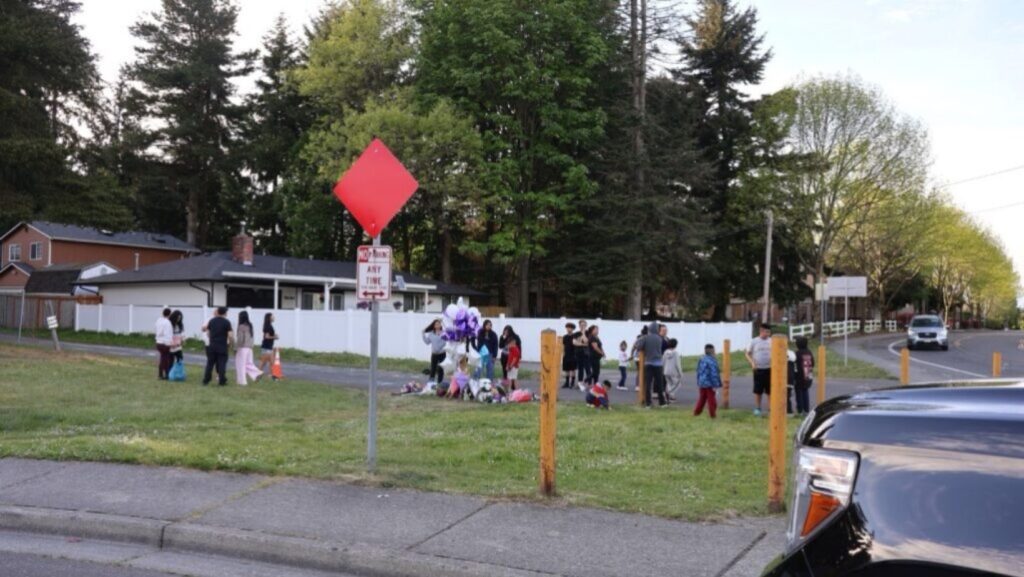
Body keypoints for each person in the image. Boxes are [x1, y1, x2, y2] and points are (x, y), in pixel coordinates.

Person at [745, 323, 773, 416]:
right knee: (758, 390)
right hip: (758, 369)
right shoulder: (754, 341)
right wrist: (752, 363)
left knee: (770, 390)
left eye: (769, 332)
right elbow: (747, 353)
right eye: (766, 332)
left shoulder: (771, 341)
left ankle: (770, 409)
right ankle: (758, 408)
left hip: (769, 368)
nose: (768, 334)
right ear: (761, 331)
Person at [202, 307, 233, 386]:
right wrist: (230, 344)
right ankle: (221, 380)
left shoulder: (211, 321)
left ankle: (206, 380)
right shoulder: (227, 322)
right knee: (222, 364)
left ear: (218, 312)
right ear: (224, 313)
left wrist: (212, 338)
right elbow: (230, 335)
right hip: (222, 346)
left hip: (212, 346)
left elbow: (208, 333)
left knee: (210, 364)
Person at [639, 320, 667, 407]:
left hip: (648, 362)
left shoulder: (646, 338)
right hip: (658, 363)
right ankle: (662, 402)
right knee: (659, 384)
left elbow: (640, 347)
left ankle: (648, 403)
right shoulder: (659, 338)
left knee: (648, 383)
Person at [234, 311, 263, 386]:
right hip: (250, 348)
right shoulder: (250, 326)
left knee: (241, 365)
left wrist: (236, 348)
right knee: (249, 363)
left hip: (242, 348)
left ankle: (242, 381)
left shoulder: (241, 326)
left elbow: (240, 339)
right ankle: (257, 373)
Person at [694, 344, 722, 418]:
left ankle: (696, 412)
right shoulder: (712, 361)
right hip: (710, 383)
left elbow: (698, 371)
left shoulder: (701, 359)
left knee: (702, 399)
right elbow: (714, 374)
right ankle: (713, 415)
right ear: (712, 351)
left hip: (702, 382)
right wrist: (715, 385)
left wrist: (699, 381)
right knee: (711, 400)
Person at [793, 337, 815, 416]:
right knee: (805, 392)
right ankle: (806, 410)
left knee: (799, 393)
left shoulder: (797, 353)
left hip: (799, 377)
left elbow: (794, 365)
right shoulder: (809, 352)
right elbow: (813, 363)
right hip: (808, 376)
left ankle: (800, 410)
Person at [423, 319, 447, 385]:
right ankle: (431, 384)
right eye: (436, 324)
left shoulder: (443, 333)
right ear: (434, 326)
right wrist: (423, 334)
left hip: (442, 354)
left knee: (441, 369)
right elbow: (427, 342)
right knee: (433, 369)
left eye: (438, 324)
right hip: (434, 355)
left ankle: (440, 383)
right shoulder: (431, 334)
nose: (437, 325)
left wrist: (439, 347)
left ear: (440, 325)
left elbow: (445, 342)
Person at [258, 312, 279, 379]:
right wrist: (274, 337)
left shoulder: (269, 325)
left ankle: (272, 376)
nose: (274, 317)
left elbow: (268, 336)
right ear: (269, 318)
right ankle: (258, 375)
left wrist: (273, 336)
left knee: (269, 362)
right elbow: (267, 337)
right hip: (266, 347)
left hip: (268, 346)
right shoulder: (268, 326)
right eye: (272, 316)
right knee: (264, 363)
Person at [154, 308, 173, 380]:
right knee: (165, 360)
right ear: (169, 314)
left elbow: (156, 330)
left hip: (158, 342)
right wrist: (169, 343)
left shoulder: (158, 321)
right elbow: (168, 334)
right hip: (164, 343)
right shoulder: (167, 322)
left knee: (163, 358)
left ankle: (162, 374)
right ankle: (164, 374)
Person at [663, 338, 683, 402]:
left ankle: (671, 397)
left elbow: (663, 361)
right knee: (678, 384)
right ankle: (669, 393)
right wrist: (680, 373)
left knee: (669, 383)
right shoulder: (676, 353)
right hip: (673, 372)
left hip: (666, 371)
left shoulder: (665, 352)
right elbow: (677, 364)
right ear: (676, 345)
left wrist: (663, 369)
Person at [573, 320, 590, 390]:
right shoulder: (576, 333)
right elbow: (574, 343)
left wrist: (583, 333)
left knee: (588, 369)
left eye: (584, 325)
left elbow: (587, 341)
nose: (582, 326)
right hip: (578, 353)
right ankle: (580, 383)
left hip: (586, 354)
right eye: (581, 325)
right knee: (580, 369)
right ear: (579, 326)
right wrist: (583, 344)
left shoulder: (589, 333)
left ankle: (589, 383)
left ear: (586, 325)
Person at [630, 326, 648, 391]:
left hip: (637, 358)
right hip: (644, 358)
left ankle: (637, 386)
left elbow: (633, 347)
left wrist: (631, 355)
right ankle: (642, 385)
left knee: (639, 371)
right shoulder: (647, 339)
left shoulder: (638, 339)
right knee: (644, 372)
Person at [562, 323, 577, 389]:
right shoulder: (565, 337)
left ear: (573, 329)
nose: (568, 329)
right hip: (566, 355)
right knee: (566, 370)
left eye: (570, 328)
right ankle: (567, 383)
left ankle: (572, 383)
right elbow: (563, 346)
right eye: (567, 328)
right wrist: (563, 353)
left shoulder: (575, 336)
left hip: (573, 355)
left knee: (573, 369)